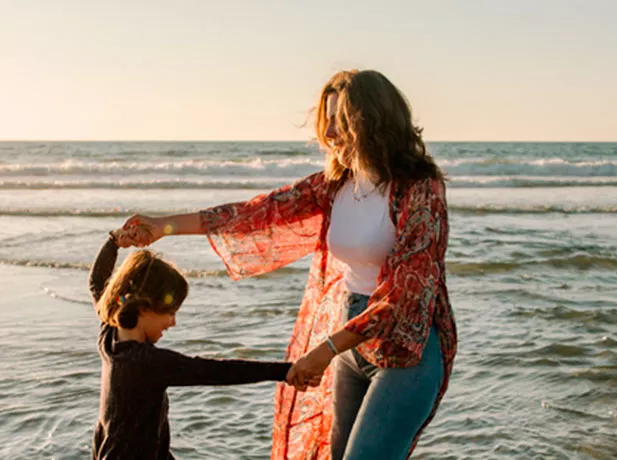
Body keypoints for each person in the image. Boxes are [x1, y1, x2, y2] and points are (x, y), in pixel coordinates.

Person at [113, 69, 456, 459]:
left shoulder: (420, 192)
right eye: (327, 123)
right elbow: (255, 213)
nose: (329, 135)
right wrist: (164, 226)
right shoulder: (335, 185)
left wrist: (325, 349)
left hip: (406, 352)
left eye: (339, 124)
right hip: (350, 342)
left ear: (372, 123)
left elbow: (405, 296)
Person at [87, 236, 318, 460]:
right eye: (170, 312)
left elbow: (98, 283)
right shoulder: (147, 363)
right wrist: (284, 371)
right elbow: (218, 371)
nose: (173, 322)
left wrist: (114, 242)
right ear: (144, 308)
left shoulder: (110, 338)